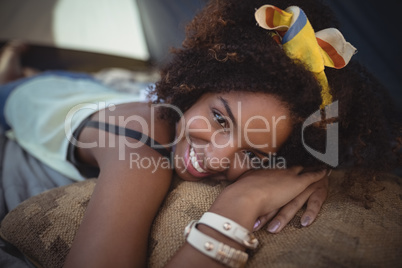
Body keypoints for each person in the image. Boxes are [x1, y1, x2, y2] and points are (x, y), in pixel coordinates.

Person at [0, 0, 399, 267]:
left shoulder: (182, 121)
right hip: (36, 98)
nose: (219, 157)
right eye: (222, 120)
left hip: (94, 94)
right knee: (14, 82)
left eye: (255, 156)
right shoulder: (142, 155)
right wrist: (240, 202)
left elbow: (314, 154)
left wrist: (315, 168)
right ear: (194, 88)